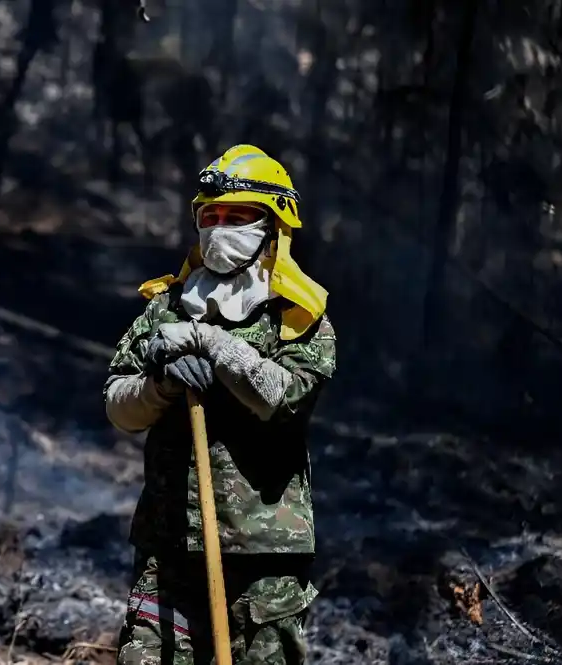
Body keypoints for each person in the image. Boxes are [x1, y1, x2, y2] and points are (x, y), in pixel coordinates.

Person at [104, 145, 336, 665]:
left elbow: (283, 398)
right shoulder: (163, 307)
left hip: (264, 554)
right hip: (167, 549)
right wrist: (159, 384)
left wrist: (214, 345)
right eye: (212, 216)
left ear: (274, 226)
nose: (221, 228)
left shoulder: (299, 318)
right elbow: (119, 407)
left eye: (238, 217)